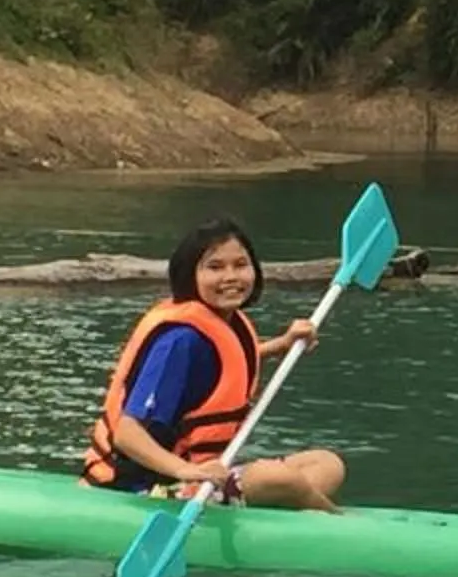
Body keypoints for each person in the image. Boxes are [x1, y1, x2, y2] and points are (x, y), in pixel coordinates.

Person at [79, 217, 348, 511]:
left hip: (204, 479)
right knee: (278, 479)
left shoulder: (224, 325)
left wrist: (281, 345)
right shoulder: (179, 341)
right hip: (143, 488)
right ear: (189, 275)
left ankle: (294, 511)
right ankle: (336, 520)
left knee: (326, 464)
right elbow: (128, 434)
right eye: (215, 267)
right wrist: (187, 472)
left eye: (240, 265)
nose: (231, 276)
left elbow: (218, 371)